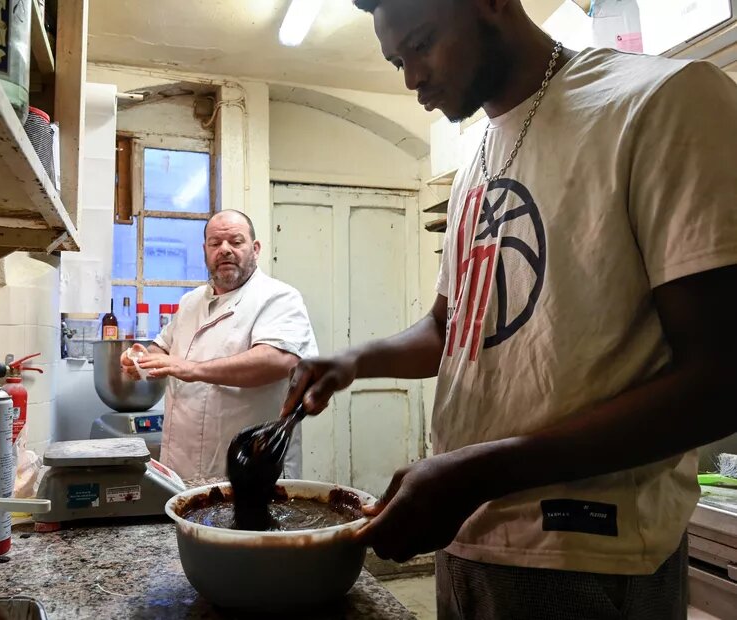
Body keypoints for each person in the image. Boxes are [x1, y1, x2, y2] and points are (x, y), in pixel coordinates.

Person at [282, 1, 737, 618]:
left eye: (421, 43)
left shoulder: (660, 101)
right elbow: (454, 327)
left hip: (587, 557)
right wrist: (351, 360)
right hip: (467, 538)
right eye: (396, 61)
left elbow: (720, 381)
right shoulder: (476, 153)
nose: (411, 76)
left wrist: (473, 475)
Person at [122, 209, 317, 481]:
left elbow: (278, 361)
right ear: (205, 250)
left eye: (236, 242)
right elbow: (162, 348)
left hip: (251, 468)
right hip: (182, 468)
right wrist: (140, 360)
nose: (224, 250)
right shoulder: (191, 302)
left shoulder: (279, 297)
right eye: (215, 244)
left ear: (255, 248)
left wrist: (191, 368)